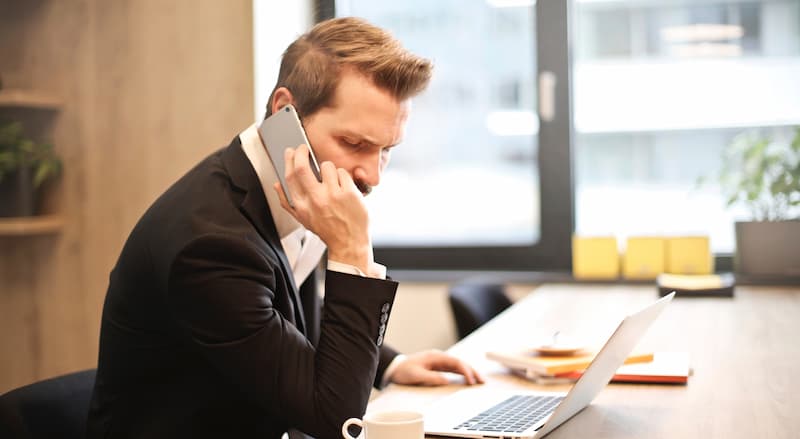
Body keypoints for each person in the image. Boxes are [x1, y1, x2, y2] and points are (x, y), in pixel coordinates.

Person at [87, 17, 483, 439]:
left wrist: (391, 366)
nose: (373, 175)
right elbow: (335, 421)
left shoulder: (294, 187)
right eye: (354, 144)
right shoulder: (210, 245)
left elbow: (288, 319)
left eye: (386, 150)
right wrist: (351, 251)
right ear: (284, 112)